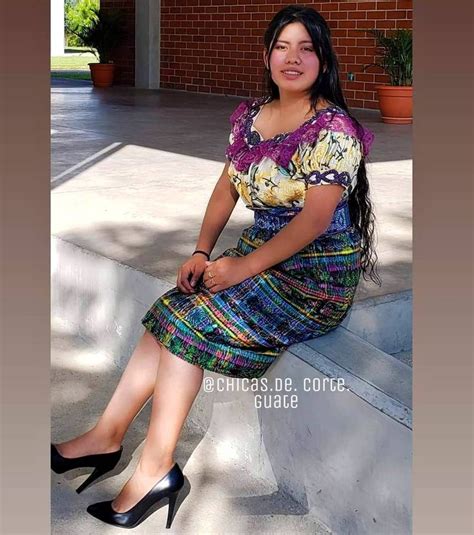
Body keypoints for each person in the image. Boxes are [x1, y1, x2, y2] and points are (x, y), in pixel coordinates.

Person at [51, 4, 380, 530]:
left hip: (313, 279)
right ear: (267, 55)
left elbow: (316, 220)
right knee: (171, 307)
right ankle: (106, 435)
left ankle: (157, 468)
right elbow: (226, 188)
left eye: (306, 48)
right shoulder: (253, 116)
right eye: (281, 46)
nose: (292, 58)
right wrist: (203, 251)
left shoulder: (332, 128)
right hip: (263, 257)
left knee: (186, 325)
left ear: (324, 60)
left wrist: (242, 267)